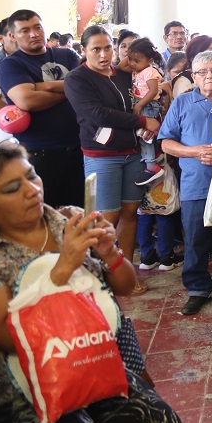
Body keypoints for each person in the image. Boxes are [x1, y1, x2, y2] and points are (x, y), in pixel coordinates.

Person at [0, 141, 188, 423]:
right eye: (12, 188)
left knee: (161, 421)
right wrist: (63, 267)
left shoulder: (70, 220)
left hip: (98, 354)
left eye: (32, 175)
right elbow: (9, 340)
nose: (32, 189)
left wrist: (110, 252)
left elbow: (125, 286)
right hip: (33, 381)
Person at [62, 26, 155, 284]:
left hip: (133, 152)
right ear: (84, 50)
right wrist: (142, 121)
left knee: (130, 211)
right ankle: (98, 274)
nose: (103, 54)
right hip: (102, 155)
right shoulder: (77, 79)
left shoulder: (123, 74)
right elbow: (98, 114)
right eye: (96, 49)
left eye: (108, 48)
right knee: (106, 218)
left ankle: (125, 272)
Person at [159, 50, 212, 316]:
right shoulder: (182, 103)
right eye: (202, 72)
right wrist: (195, 151)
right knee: (195, 237)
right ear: (193, 76)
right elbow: (166, 143)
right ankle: (197, 289)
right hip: (195, 183)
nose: (209, 76)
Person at [0, 10, 83, 208]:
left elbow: (87, 85)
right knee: (42, 216)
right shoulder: (10, 65)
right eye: (25, 30)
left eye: (37, 27)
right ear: (12, 36)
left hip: (79, 148)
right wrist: (69, 87)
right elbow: (27, 101)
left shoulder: (67, 55)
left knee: (77, 215)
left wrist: (40, 86)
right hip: (40, 153)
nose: (34, 34)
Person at [123, 38, 167, 187]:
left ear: (149, 60)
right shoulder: (138, 69)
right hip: (142, 105)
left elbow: (153, 90)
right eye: (130, 59)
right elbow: (122, 65)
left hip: (147, 105)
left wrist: (140, 104)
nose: (131, 63)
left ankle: (151, 166)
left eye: (136, 60)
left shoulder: (149, 71)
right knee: (144, 134)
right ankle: (155, 156)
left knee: (145, 136)